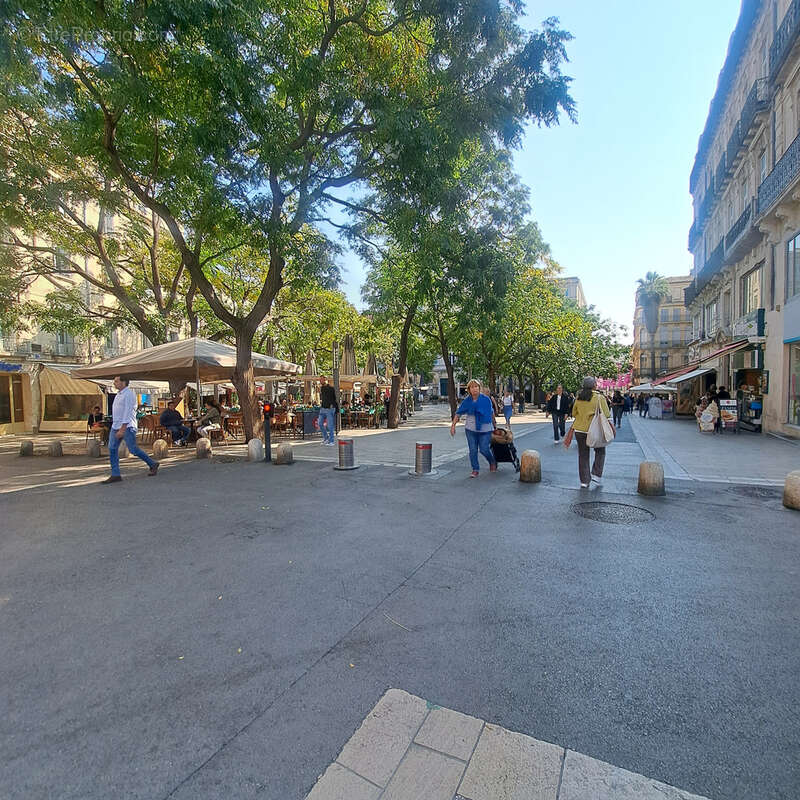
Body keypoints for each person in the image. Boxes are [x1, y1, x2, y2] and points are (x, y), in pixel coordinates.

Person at [103, 375, 159, 484]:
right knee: (112, 448)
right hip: (116, 426)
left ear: (123, 382)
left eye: (116, 381)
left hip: (127, 426)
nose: (114, 383)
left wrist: (123, 428)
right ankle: (115, 474)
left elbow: (128, 412)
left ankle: (152, 463)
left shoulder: (129, 394)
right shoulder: (118, 394)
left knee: (133, 449)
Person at [563, 376, 613, 488]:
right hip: (594, 429)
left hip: (579, 429)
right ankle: (596, 474)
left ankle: (584, 481)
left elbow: (574, 413)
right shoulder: (599, 397)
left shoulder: (578, 398)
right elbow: (606, 414)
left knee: (583, 455)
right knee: (600, 451)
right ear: (594, 385)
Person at [450, 379, 497, 477]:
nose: (474, 389)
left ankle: (492, 462)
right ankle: (475, 469)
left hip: (485, 428)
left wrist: (494, 424)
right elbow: (458, 413)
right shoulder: (467, 401)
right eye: (472, 387)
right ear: (469, 389)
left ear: (479, 388)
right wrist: (453, 426)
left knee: (484, 449)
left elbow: (491, 412)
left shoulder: (486, 399)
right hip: (470, 429)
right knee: (473, 450)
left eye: (476, 386)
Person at [318, 376, 338, 445]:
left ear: (325, 380)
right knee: (320, 423)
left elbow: (333, 398)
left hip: (329, 409)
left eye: (322, 380)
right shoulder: (322, 388)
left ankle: (331, 441)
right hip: (323, 408)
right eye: (320, 380)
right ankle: (326, 438)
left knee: (330, 425)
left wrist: (332, 406)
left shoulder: (330, 388)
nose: (320, 381)